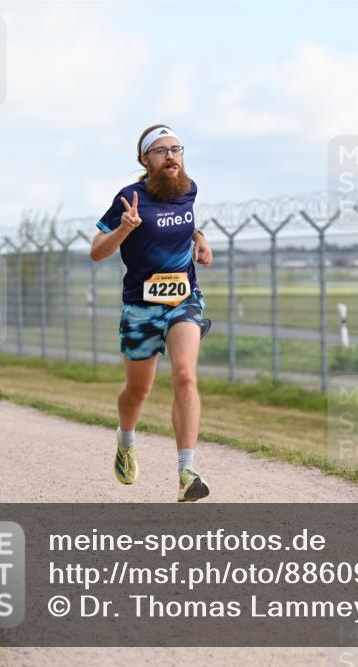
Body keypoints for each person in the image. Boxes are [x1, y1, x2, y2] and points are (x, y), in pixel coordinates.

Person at [90, 124, 214, 502]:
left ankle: (186, 471)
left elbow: (184, 222)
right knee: (138, 391)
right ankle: (126, 440)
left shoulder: (188, 190)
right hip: (141, 308)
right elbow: (97, 251)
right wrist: (124, 229)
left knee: (184, 375)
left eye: (176, 149)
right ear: (145, 159)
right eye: (161, 151)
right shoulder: (130, 198)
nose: (171, 156)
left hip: (183, 300)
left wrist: (200, 239)